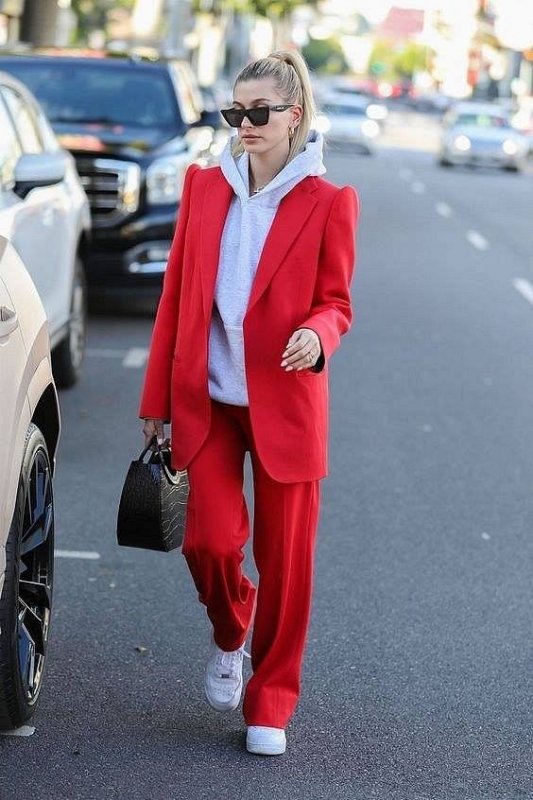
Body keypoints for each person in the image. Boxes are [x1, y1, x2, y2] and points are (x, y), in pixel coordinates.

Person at [139, 49, 359, 756]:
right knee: (207, 542)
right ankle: (232, 627)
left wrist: (316, 335)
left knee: (286, 564)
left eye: (259, 111)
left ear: (294, 115)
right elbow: (175, 299)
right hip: (209, 400)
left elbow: (336, 302)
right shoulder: (205, 187)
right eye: (235, 111)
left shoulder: (329, 202)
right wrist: (155, 399)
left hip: (286, 404)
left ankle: (270, 701)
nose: (245, 123)